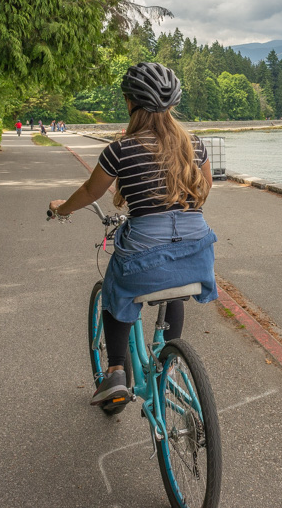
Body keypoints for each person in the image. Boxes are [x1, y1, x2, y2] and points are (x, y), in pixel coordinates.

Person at [48, 62, 216, 406]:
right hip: (198, 251)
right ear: (171, 106)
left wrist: (62, 208)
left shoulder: (120, 150)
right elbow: (205, 190)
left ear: (130, 103)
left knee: (114, 290)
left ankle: (115, 372)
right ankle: (168, 361)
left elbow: (90, 192)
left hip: (144, 256)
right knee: (172, 294)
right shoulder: (195, 145)